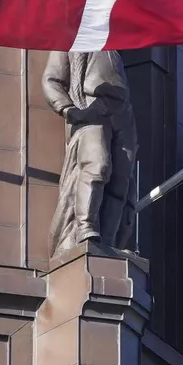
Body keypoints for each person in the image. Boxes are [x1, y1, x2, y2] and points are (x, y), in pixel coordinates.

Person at [43, 50, 138, 255]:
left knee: (121, 182)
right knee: (97, 166)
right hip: (91, 107)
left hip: (122, 112)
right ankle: (85, 228)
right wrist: (68, 109)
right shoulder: (73, 40)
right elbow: (51, 80)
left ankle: (109, 243)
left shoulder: (114, 44)